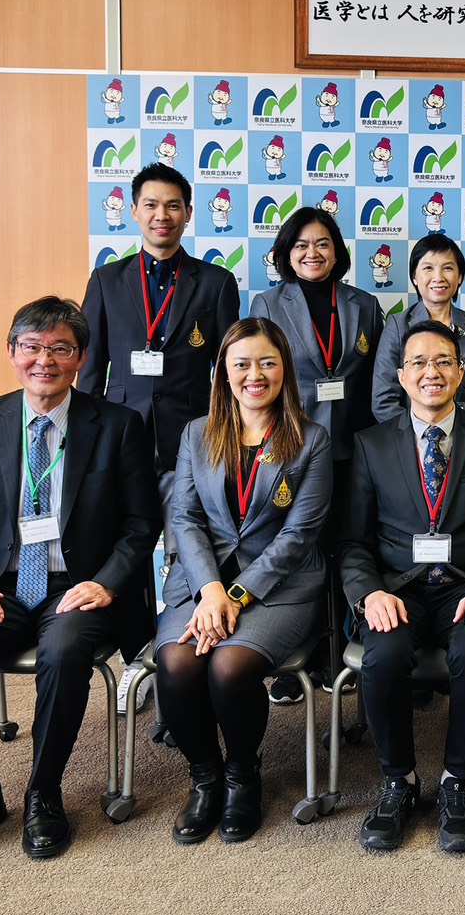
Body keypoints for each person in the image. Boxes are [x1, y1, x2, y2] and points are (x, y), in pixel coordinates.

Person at [0, 297, 161, 864]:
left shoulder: (118, 425)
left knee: (66, 652)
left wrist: (108, 582)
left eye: (60, 349)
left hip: (77, 586)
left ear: (81, 358)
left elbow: (141, 523)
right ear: (12, 352)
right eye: (32, 346)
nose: (45, 360)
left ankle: (44, 792)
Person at [341, 321, 465, 853]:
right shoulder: (371, 444)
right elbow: (352, 542)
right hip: (395, 589)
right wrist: (369, 593)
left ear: (462, 372)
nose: (432, 372)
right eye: (419, 362)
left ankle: (457, 783)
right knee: (382, 655)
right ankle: (398, 781)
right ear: (401, 376)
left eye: (444, 361)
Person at [154, 317, 332, 845]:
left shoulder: (312, 439)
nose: (255, 375)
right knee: (177, 662)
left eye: (267, 363)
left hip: (279, 587)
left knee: (229, 665)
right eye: (242, 364)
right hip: (199, 583)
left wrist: (235, 595)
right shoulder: (197, 433)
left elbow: (299, 535)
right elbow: (185, 518)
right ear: (223, 372)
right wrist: (211, 590)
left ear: (285, 370)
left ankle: (241, 776)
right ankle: (205, 777)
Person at [79, 163, 239, 711]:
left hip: (189, 445)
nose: (161, 215)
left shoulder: (215, 283)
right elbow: (90, 369)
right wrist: (85, 444)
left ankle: (183, 649)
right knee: (120, 550)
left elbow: (229, 373)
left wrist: (225, 442)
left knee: (187, 549)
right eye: (150, 205)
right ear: (133, 211)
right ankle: (135, 657)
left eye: (173, 205)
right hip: (119, 442)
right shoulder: (107, 281)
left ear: (189, 214)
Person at [251, 206, 384, 702]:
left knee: (347, 547)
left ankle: (340, 654)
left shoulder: (364, 304)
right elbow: (259, 379)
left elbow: (376, 380)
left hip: (353, 446)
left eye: (323, 243)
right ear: (286, 253)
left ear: (337, 251)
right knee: (299, 552)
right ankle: (296, 658)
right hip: (294, 447)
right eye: (302, 245)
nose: (313, 253)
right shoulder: (268, 303)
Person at [371, 234, 465, 423]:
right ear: (414, 277)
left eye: (448, 268)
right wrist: (420, 433)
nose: (438, 277)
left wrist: (463, 431)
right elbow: (383, 400)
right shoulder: (397, 326)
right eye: (428, 268)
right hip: (410, 438)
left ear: (460, 277)